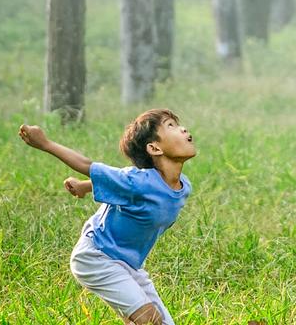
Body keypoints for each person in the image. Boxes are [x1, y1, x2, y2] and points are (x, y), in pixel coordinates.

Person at [19, 110, 196, 323]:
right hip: (97, 256)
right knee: (149, 319)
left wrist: (84, 186)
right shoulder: (137, 181)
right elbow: (88, 166)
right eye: (170, 126)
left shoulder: (183, 187)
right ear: (154, 148)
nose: (183, 129)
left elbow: (120, 186)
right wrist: (45, 144)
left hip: (129, 265)